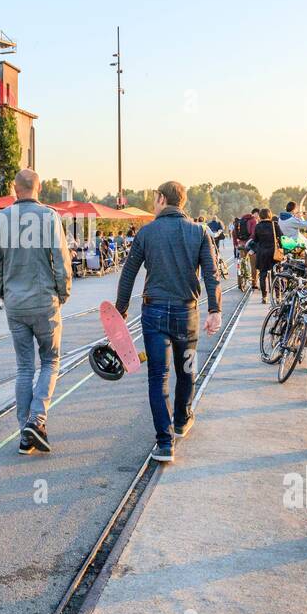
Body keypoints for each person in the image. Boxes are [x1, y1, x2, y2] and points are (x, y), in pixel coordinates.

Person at [115, 180, 221, 464]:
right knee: (187, 369)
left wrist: (120, 311)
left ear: (162, 199)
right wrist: (214, 309)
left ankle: (164, 443)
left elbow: (128, 274)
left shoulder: (147, 233)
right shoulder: (199, 232)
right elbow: (211, 273)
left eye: (154, 198)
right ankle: (182, 418)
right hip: (188, 316)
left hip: (155, 315)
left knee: (158, 377)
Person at [0, 168, 71, 454]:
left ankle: (25, 435)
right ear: (39, 188)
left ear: (15, 189)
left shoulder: (0, 219)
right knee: (51, 361)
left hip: (15, 302)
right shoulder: (49, 217)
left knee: (24, 367)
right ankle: (36, 420)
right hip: (43, 299)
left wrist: (1, 292)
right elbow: (60, 258)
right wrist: (64, 291)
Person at [250, 207, 280, 303]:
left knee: (262, 276)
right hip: (274, 253)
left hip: (262, 253)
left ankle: (264, 297)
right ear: (269, 215)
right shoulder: (274, 225)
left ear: (261, 216)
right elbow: (281, 237)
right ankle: (278, 297)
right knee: (276, 275)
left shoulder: (258, 226)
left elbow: (255, 240)